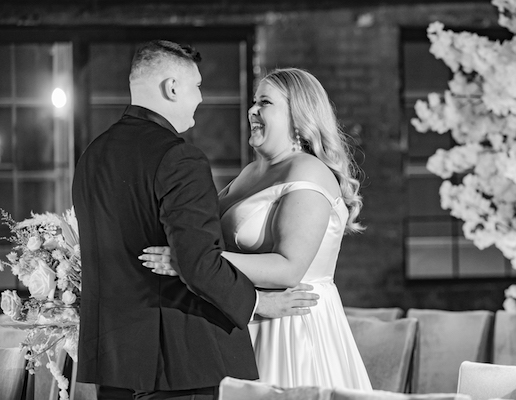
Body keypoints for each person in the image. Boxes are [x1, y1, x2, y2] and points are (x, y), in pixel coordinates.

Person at [72, 41, 319, 400]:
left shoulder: (92, 156)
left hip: (115, 365)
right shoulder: (179, 157)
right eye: (197, 86)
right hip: (184, 362)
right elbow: (198, 261)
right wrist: (258, 303)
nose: (201, 99)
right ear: (172, 88)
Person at [141, 67, 372, 390]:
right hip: (250, 318)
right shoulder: (251, 172)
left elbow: (289, 269)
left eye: (265, 102)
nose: (252, 111)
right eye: (253, 102)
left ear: (298, 114)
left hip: (292, 332)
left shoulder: (308, 171)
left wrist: (192, 261)